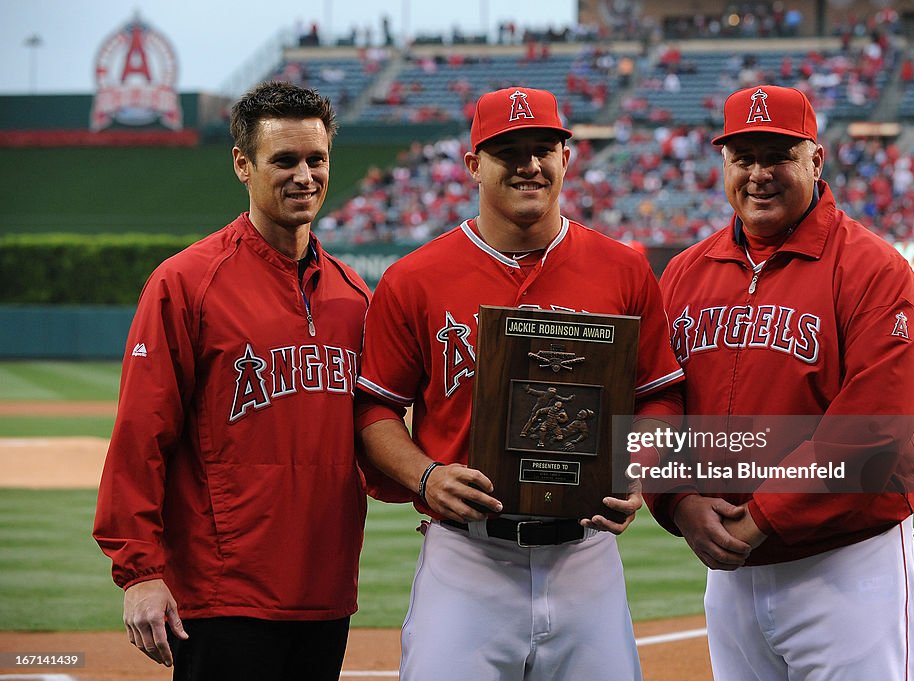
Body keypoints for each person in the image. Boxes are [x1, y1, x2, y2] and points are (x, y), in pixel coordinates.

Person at [355, 86, 685, 680]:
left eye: (544, 147)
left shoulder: (623, 268)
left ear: (567, 157)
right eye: (508, 150)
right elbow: (374, 411)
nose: (529, 164)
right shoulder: (415, 279)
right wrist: (425, 477)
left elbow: (659, 395)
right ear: (474, 164)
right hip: (468, 554)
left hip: (585, 554)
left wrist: (635, 462)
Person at [93, 81, 371, 681]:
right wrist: (139, 570)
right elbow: (142, 433)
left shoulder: (353, 295)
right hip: (223, 593)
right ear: (243, 164)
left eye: (316, 159)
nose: (304, 175)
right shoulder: (187, 282)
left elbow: (377, 432)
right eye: (284, 160)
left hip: (326, 591)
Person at [655, 84, 914, 680]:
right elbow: (655, 399)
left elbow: (874, 427)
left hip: (847, 566)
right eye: (743, 157)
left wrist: (757, 521)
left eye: (777, 156)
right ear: (724, 163)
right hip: (731, 574)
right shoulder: (684, 273)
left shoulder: (872, 268)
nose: (759, 175)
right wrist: (676, 500)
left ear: (814, 159)